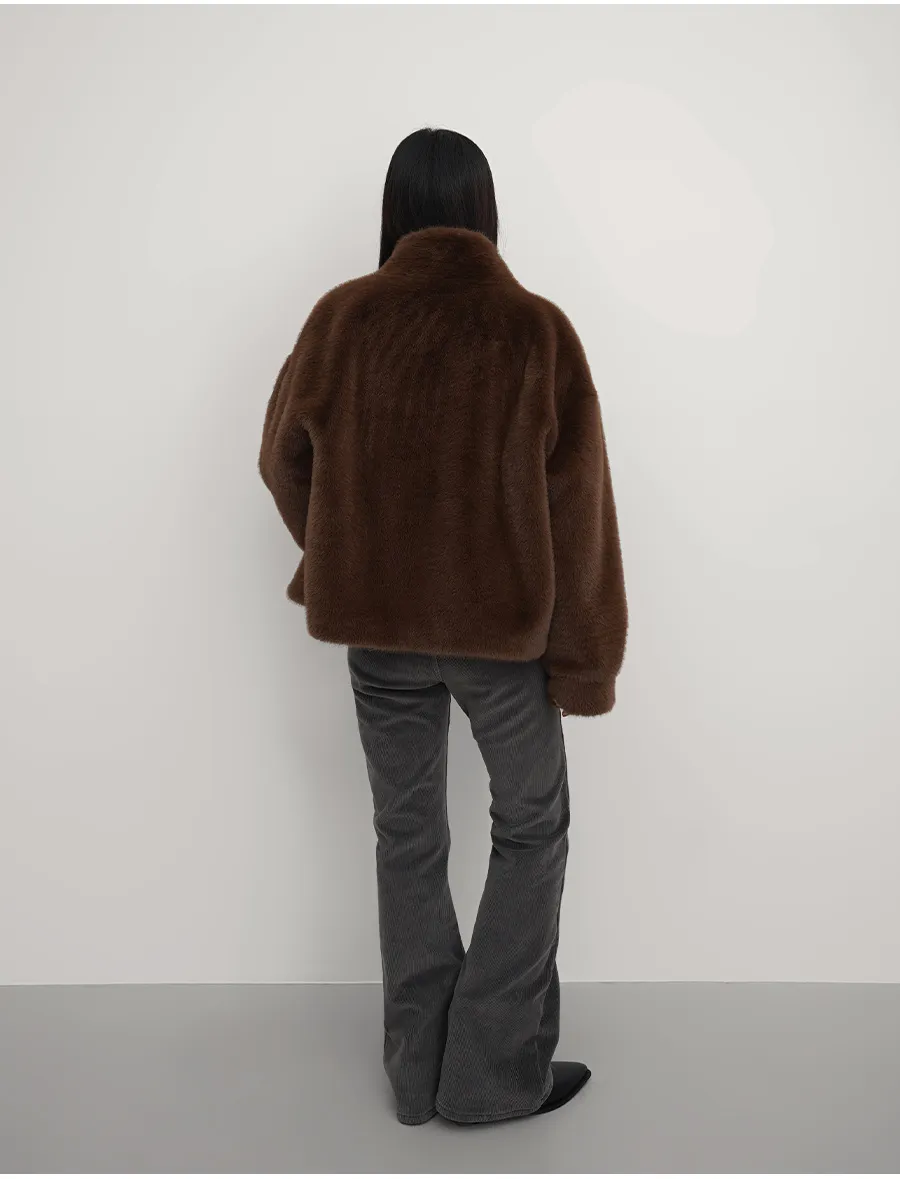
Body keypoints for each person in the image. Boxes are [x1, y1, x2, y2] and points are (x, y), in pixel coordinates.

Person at [259, 127, 628, 1126]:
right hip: (499, 645)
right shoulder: (535, 331)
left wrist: (345, 556)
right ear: (483, 210)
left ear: (395, 210)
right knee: (533, 827)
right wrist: (584, 664)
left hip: (379, 642)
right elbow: (578, 514)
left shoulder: (340, 319)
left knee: (406, 836)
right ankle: (490, 1073)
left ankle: (419, 1072)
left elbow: (282, 460)